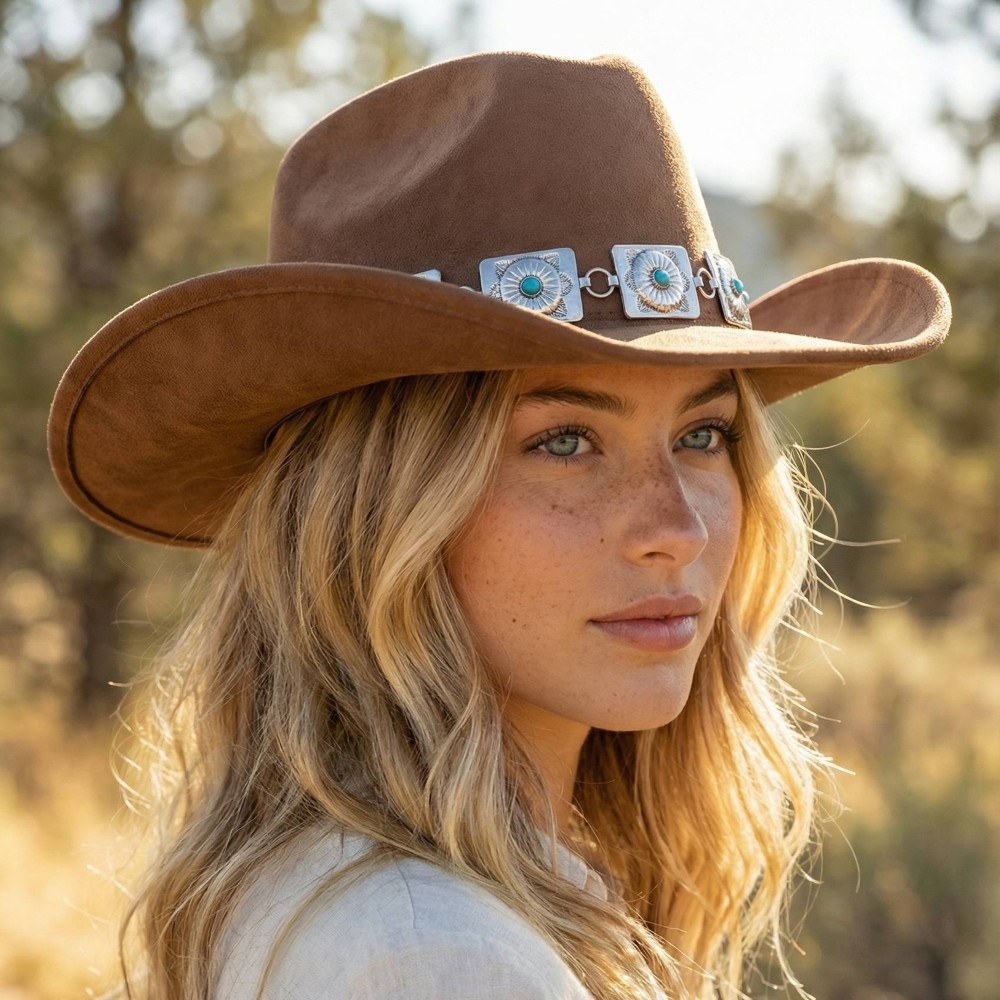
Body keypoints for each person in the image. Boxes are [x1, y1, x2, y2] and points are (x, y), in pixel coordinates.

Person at [48, 51, 950, 1000]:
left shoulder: (397, 906)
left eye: (702, 434)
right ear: (376, 512)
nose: (676, 529)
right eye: (564, 441)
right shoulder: (433, 957)